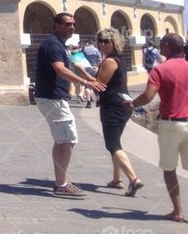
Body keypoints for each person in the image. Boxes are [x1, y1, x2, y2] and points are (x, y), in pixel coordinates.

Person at [34, 12, 106, 198]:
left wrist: (89, 77)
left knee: (63, 139)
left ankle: (61, 181)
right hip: (52, 98)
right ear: (55, 26)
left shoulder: (59, 45)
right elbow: (60, 69)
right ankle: (61, 184)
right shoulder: (52, 44)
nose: (71, 27)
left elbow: (72, 63)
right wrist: (87, 83)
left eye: (73, 24)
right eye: (67, 24)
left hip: (54, 97)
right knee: (67, 139)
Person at [129, 32, 188, 222]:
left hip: (171, 124)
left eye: (162, 44)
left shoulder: (160, 70)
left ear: (168, 46)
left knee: (169, 168)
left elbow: (148, 96)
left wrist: (132, 103)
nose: (160, 48)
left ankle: (178, 211)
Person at [93, 28, 143, 196]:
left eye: (106, 41)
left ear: (114, 42)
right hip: (123, 105)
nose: (102, 44)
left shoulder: (109, 61)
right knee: (115, 142)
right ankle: (117, 179)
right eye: (100, 41)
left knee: (112, 144)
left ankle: (134, 179)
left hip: (112, 106)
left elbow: (99, 84)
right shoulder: (119, 59)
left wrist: (81, 70)